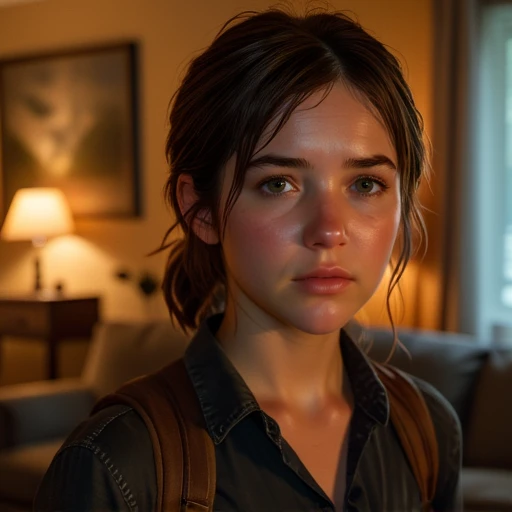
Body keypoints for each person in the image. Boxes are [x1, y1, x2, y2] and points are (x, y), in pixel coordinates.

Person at [34, 7, 462, 512]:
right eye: (278, 184)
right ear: (200, 210)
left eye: (365, 184)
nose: (328, 230)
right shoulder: (118, 464)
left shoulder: (427, 428)